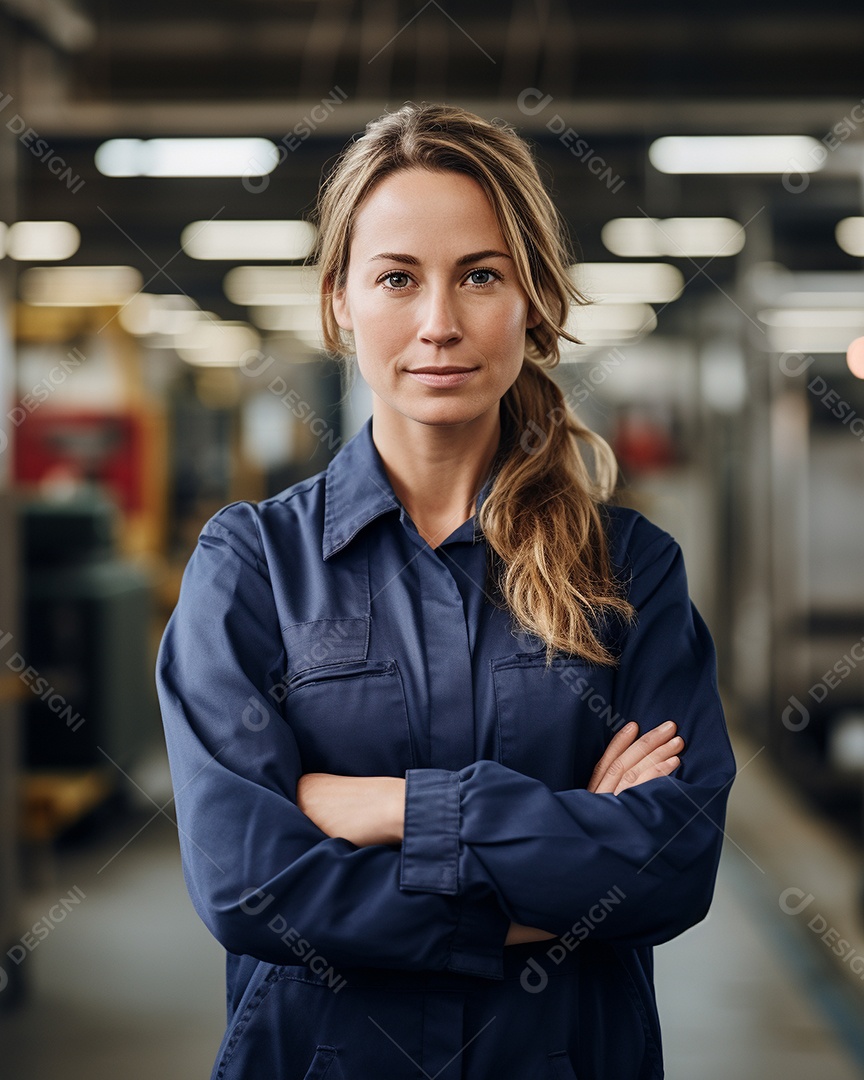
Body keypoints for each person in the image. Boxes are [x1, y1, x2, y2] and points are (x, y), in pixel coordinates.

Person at [156, 102, 736, 1080]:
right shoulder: (250, 564)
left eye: (480, 275)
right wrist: (549, 878)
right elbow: (249, 886)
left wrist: (386, 809)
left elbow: (669, 866)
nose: (439, 324)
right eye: (396, 278)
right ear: (339, 299)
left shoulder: (630, 571)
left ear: (532, 299)